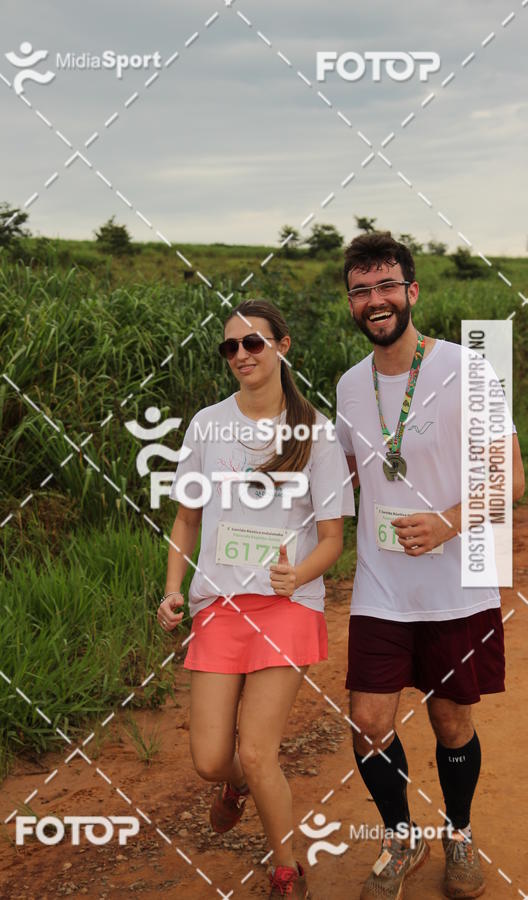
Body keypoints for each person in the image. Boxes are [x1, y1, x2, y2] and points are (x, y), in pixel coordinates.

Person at [335, 232, 525, 900]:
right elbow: (349, 481)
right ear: (351, 304)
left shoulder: (468, 371)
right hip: (381, 587)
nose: (375, 300)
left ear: (412, 292)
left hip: (455, 584)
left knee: (452, 722)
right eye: (361, 291)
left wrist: (448, 520)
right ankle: (399, 836)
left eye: (386, 286)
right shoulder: (350, 387)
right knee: (368, 721)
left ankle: (461, 833)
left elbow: (512, 477)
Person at [158, 298, 355, 899]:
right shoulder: (205, 425)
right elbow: (186, 518)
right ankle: (234, 787)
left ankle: (286, 869)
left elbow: (331, 538)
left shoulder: (315, 432)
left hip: (287, 606)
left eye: (253, 344)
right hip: (219, 604)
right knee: (213, 759)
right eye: (230, 347)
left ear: (282, 346)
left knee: (259, 749)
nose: (240, 355)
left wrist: (299, 578)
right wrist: (172, 589)